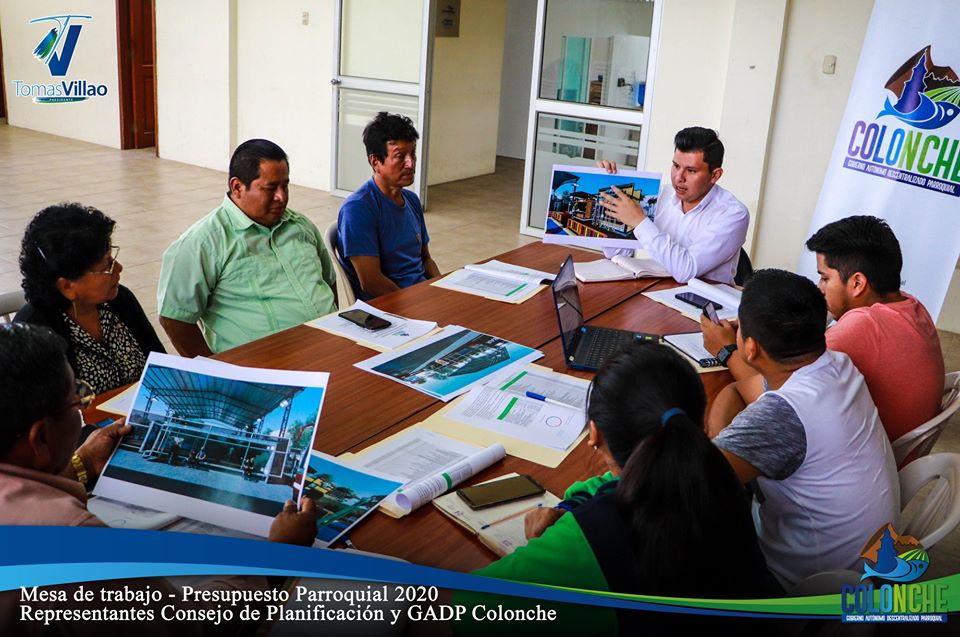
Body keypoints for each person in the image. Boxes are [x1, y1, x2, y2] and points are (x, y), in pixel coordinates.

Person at [0, 323, 318, 635]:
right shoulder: (71, 537)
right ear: (40, 438)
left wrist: (81, 463)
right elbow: (187, 626)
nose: (83, 411)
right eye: (77, 402)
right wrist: (278, 555)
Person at [458, 343, 780, 634]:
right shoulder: (718, 477)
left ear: (594, 434)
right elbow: (614, 485)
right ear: (697, 422)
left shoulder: (596, 534)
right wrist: (571, 506)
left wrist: (559, 533)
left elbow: (468, 610)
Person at [707, 269, 899, 588]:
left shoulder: (783, 413)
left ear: (750, 348)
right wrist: (727, 440)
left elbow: (695, 483)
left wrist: (722, 442)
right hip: (868, 567)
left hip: (802, 586)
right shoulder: (837, 365)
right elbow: (738, 389)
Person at [701, 215, 944, 445]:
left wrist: (726, 349)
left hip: (848, 452)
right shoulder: (908, 304)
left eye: (825, 278)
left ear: (857, 283)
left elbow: (781, 392)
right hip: (891, 450)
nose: (820, 288)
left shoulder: (863, 326)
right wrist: (760, 324)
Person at [158, 139, 338, 356]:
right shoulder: (202, 243)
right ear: (237, 187)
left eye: (285, 186)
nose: (281, 197)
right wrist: (213, 368)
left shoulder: (301, 226)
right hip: (264, 363)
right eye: (270, 188)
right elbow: (174, 319)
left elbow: (328, 282)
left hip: (331, 347)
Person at [15, 203, 165, 394]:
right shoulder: (36, 333)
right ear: (67, 286)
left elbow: (160, 365)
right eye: (107, 266)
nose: (119, 268)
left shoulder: (120, 300)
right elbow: (47, 408)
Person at [598, 126, 749, 284]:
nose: (678, 178)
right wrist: (606, 191)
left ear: (715, 175)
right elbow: (616, 253)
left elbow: (686, 271)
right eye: (676, 166)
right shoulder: (661, 195)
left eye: (691, 171)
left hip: (704, 297)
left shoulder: (733, 214)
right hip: (656, 288)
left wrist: (639, 221)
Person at [337, 112, 440, 299]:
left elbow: (426, 260)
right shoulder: (358, 209)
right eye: (400, 156)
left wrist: (441, 290)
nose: (410, 163)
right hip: (390, 307)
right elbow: (371, 281)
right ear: (375, 161)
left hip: (422, 297)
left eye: (413, 153)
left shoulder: (412, 200)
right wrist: (416, 304)